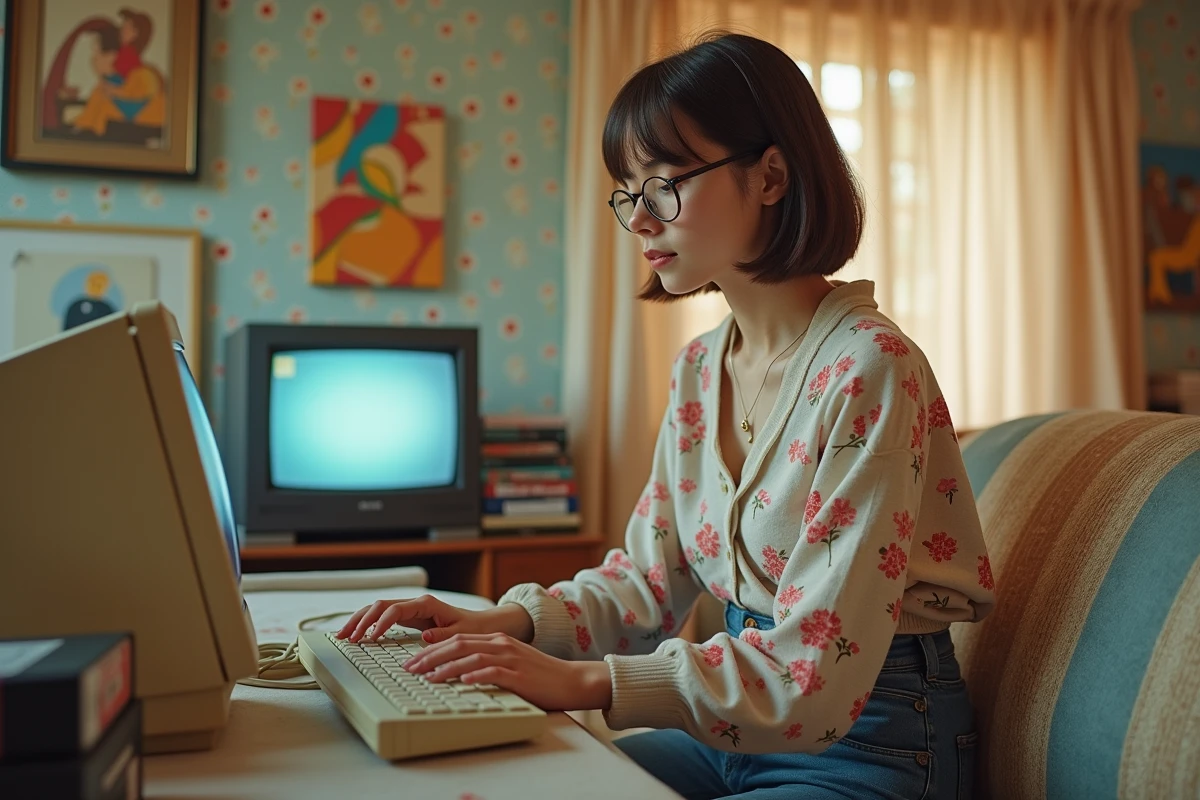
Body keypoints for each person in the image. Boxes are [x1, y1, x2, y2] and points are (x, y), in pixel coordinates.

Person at [339, 30, 996, 799]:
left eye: (663, 184)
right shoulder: (699, 369)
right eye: (629, 193)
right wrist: (502, 625)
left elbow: (819, 668)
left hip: (872, 740)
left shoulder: (871, 367)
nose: (641, 220)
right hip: (727, 729)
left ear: (771, 176)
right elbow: (651, 581)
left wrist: (579, 681)